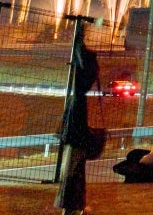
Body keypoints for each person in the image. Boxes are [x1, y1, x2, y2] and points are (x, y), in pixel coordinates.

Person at [54, 25, 102, 213]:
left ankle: (71, 206)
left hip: (76, 137)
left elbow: (81, 58)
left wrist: (78, 39)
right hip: (78, 137)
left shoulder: (78, 97)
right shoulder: (82, 91)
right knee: (75, 172)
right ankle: (75, 206)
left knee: (71, 172)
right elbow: (82, 58)